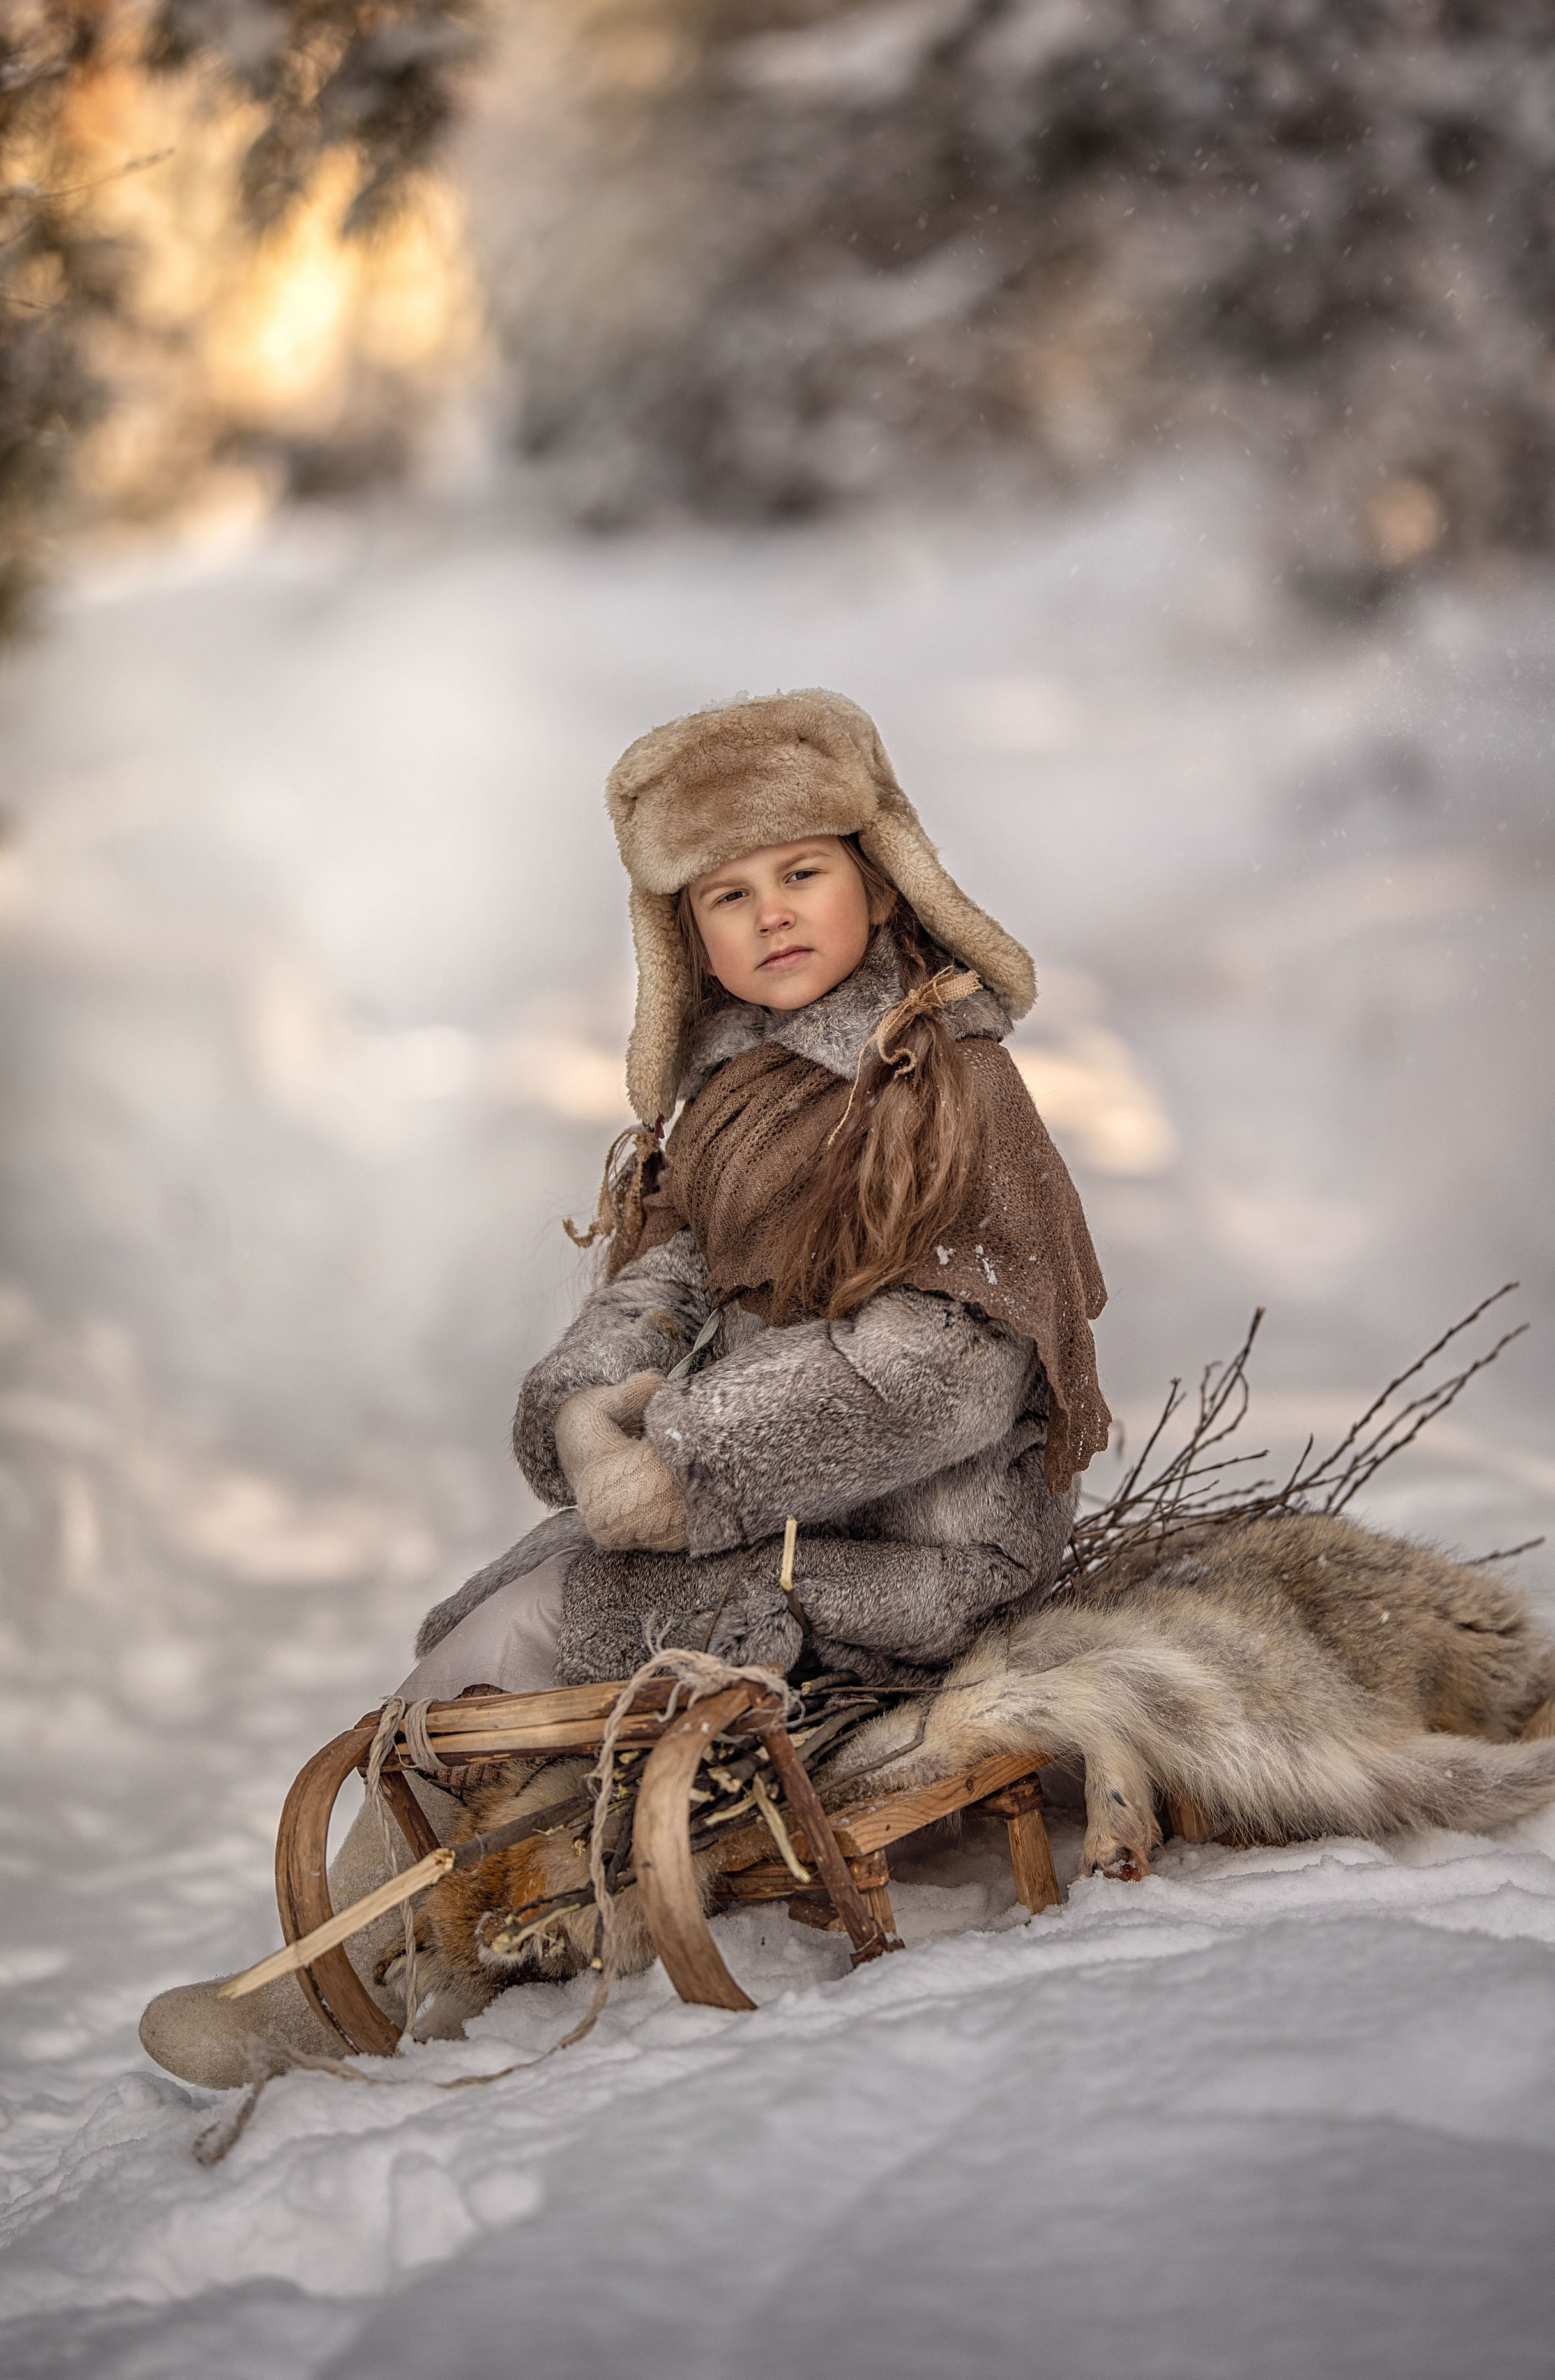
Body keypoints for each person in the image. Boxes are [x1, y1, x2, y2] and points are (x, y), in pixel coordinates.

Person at [140, 688, 1110, 2083]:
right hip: (778, 1517)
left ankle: (336, 1987)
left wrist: (685, 1458)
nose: (770, 915)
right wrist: (590, 1403)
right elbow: (669, 1283)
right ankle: (422, 1943)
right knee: (477, 1623)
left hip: (925, 1552)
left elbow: (942, 1376)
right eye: (727, 894)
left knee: (545, 1623)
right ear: (682, 936)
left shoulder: (941, 1087)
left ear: (876, 876)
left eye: (801, 872)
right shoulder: (729, 1089)